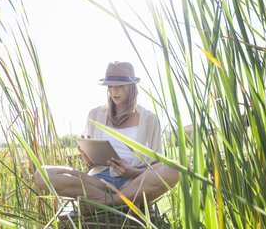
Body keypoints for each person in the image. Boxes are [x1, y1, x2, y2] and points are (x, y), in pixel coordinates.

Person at [34, 61, 179, 211]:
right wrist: (87, 155)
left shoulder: (149, 119)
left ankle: (107, 203)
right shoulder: (95, 114)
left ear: (131, 87)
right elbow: (91, 166)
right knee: (42, 173)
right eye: (110, 86)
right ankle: (117, 200)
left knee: (175, 169)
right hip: (98, 183)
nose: (114, 91)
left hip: (133, 182)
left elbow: (155, 166)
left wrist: (132, 172)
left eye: (119, 86)